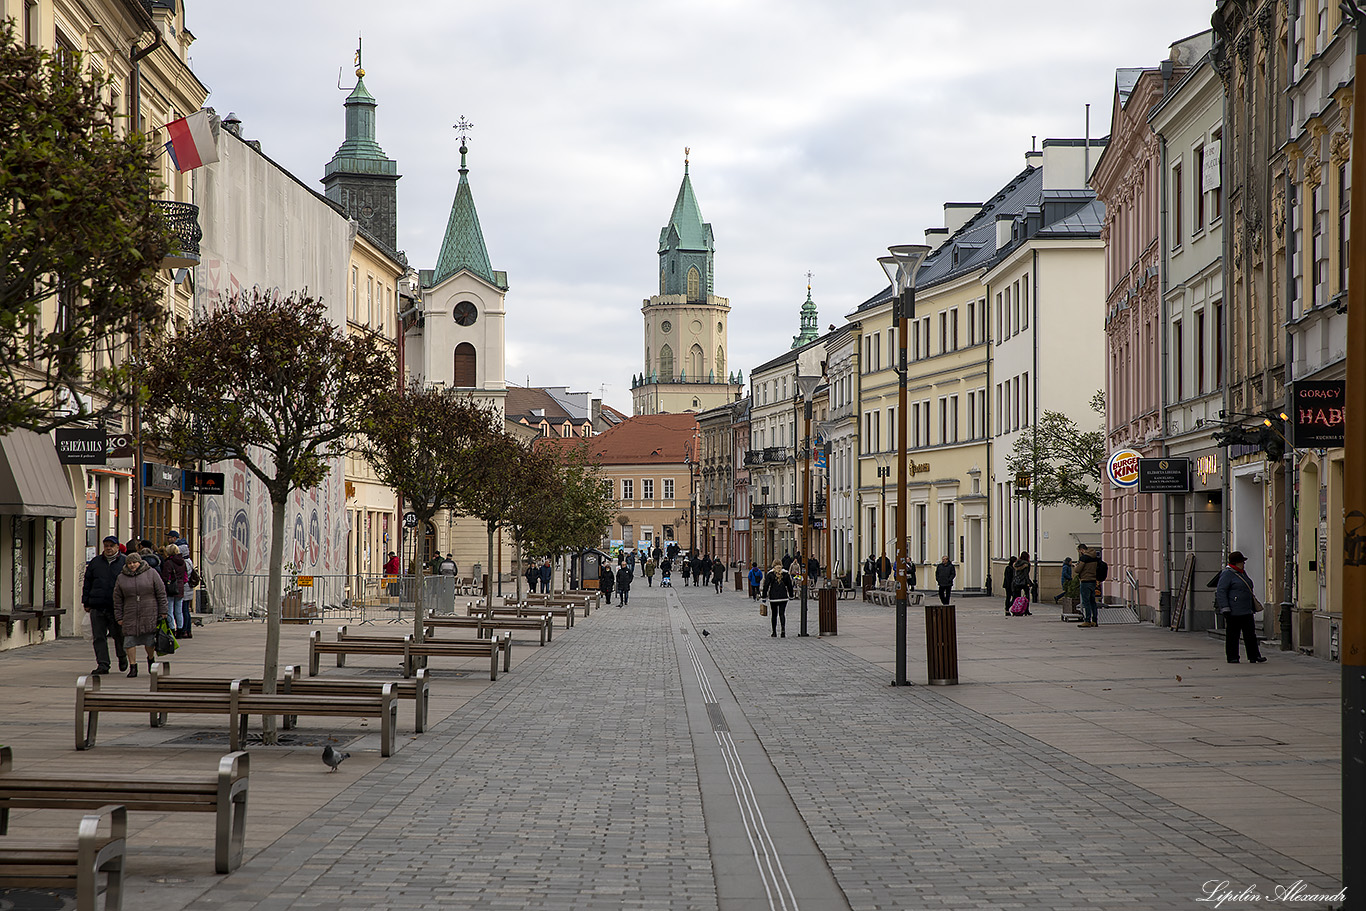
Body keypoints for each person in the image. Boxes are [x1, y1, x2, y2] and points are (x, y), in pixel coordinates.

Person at [112, 550, 167, 679]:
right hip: (130, 613)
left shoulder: (151, 573)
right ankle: (133, 667)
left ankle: (151, 659)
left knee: (149, 640)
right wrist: (119, 616)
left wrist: (163, 611)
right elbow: (117, 598)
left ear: (140, 562)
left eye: (135, 562)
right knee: (129, 641)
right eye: (130, 563)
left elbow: (161, 593)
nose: (132, 565)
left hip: (149, 611)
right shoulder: (121, 577)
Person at [83, 536, 128, 675]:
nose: (108, 548)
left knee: (119, 635)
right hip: (97, 605)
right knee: (99, 637)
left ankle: (122, 656)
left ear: (117, 547)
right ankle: (103, 664)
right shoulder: (96, 562)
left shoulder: (124, 562)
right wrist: (86, 601)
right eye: (106, 545)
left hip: (116, 607)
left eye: (111, 546)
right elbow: (87, 583)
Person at [1216, 551, 1266, 664]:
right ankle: (1232, 656)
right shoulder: (1227, 574)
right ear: (1237, 562)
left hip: (1246, 609)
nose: (1244, 563)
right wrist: (1225, 608)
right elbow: (1221, 591)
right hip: (1233, 611)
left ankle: (1254, 656)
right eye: (1242, 561)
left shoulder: (1242, 573)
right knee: (1233, 635)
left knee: (1250, 635)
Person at [160, 544, 190, 639]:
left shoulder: (168, 562)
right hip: (180, 587)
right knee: (179, 610)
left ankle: (172, 629)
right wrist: (181, 582)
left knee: (170, 610)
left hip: (171, 588)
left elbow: (165, 576)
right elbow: (185, 576)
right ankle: (180, 630)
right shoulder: (182, 562)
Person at [761, 561, 794, 637]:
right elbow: (789, 586)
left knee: (774, 614)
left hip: (773, 597)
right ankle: (783, 630)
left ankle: (774, 632)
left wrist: (764, 596)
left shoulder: (770, 574)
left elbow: (766, 586)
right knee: (782, 614)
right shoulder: (785, 574)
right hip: (783, 597)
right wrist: (791, 595)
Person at [1075, 545, 1100, 627]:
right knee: (1093, 601)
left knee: (1086, 602)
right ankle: (1094, 620)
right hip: (1093, 581)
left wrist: (1076, 566)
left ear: (1081, 550)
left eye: (1079, 551)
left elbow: (1078, 570)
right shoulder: (1094, 557)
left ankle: (1087, 620)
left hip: (1085, 581)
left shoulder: (1084, 558)